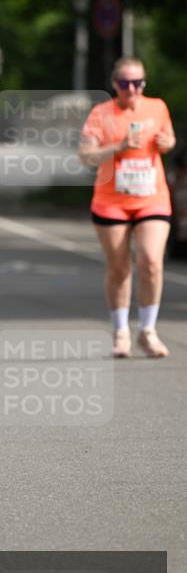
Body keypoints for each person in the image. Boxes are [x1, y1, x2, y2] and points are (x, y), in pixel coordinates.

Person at [79, 57, 176, 357]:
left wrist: (166, 142)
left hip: (152, 197)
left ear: (144, 84)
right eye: (125, 83)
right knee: (120, 268)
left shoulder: (157, 107)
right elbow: (85, 155)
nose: (131, 89)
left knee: (150, 262)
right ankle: (121, 331)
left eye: (138, 83)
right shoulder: (101, 113)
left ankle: (147, 331)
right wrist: (119, 147)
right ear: (115, 84)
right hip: (112, 202)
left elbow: (169, 138)